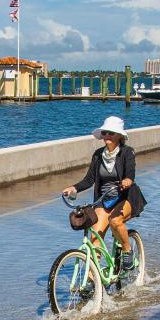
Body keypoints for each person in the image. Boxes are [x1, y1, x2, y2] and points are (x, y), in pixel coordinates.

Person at [63, 115, 146, 274]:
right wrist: (74, 188)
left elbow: (130, 173)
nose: (107, 136)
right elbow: (89, 180)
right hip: (104, 199)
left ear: (119, 136)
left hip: (124, 197)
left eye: (111, 133)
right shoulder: (97, 154)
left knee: (115, 221)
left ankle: (128, 251)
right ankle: (92, 280)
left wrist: (128, 180)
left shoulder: (127, 152)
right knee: (95, 238)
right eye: (105, 133)